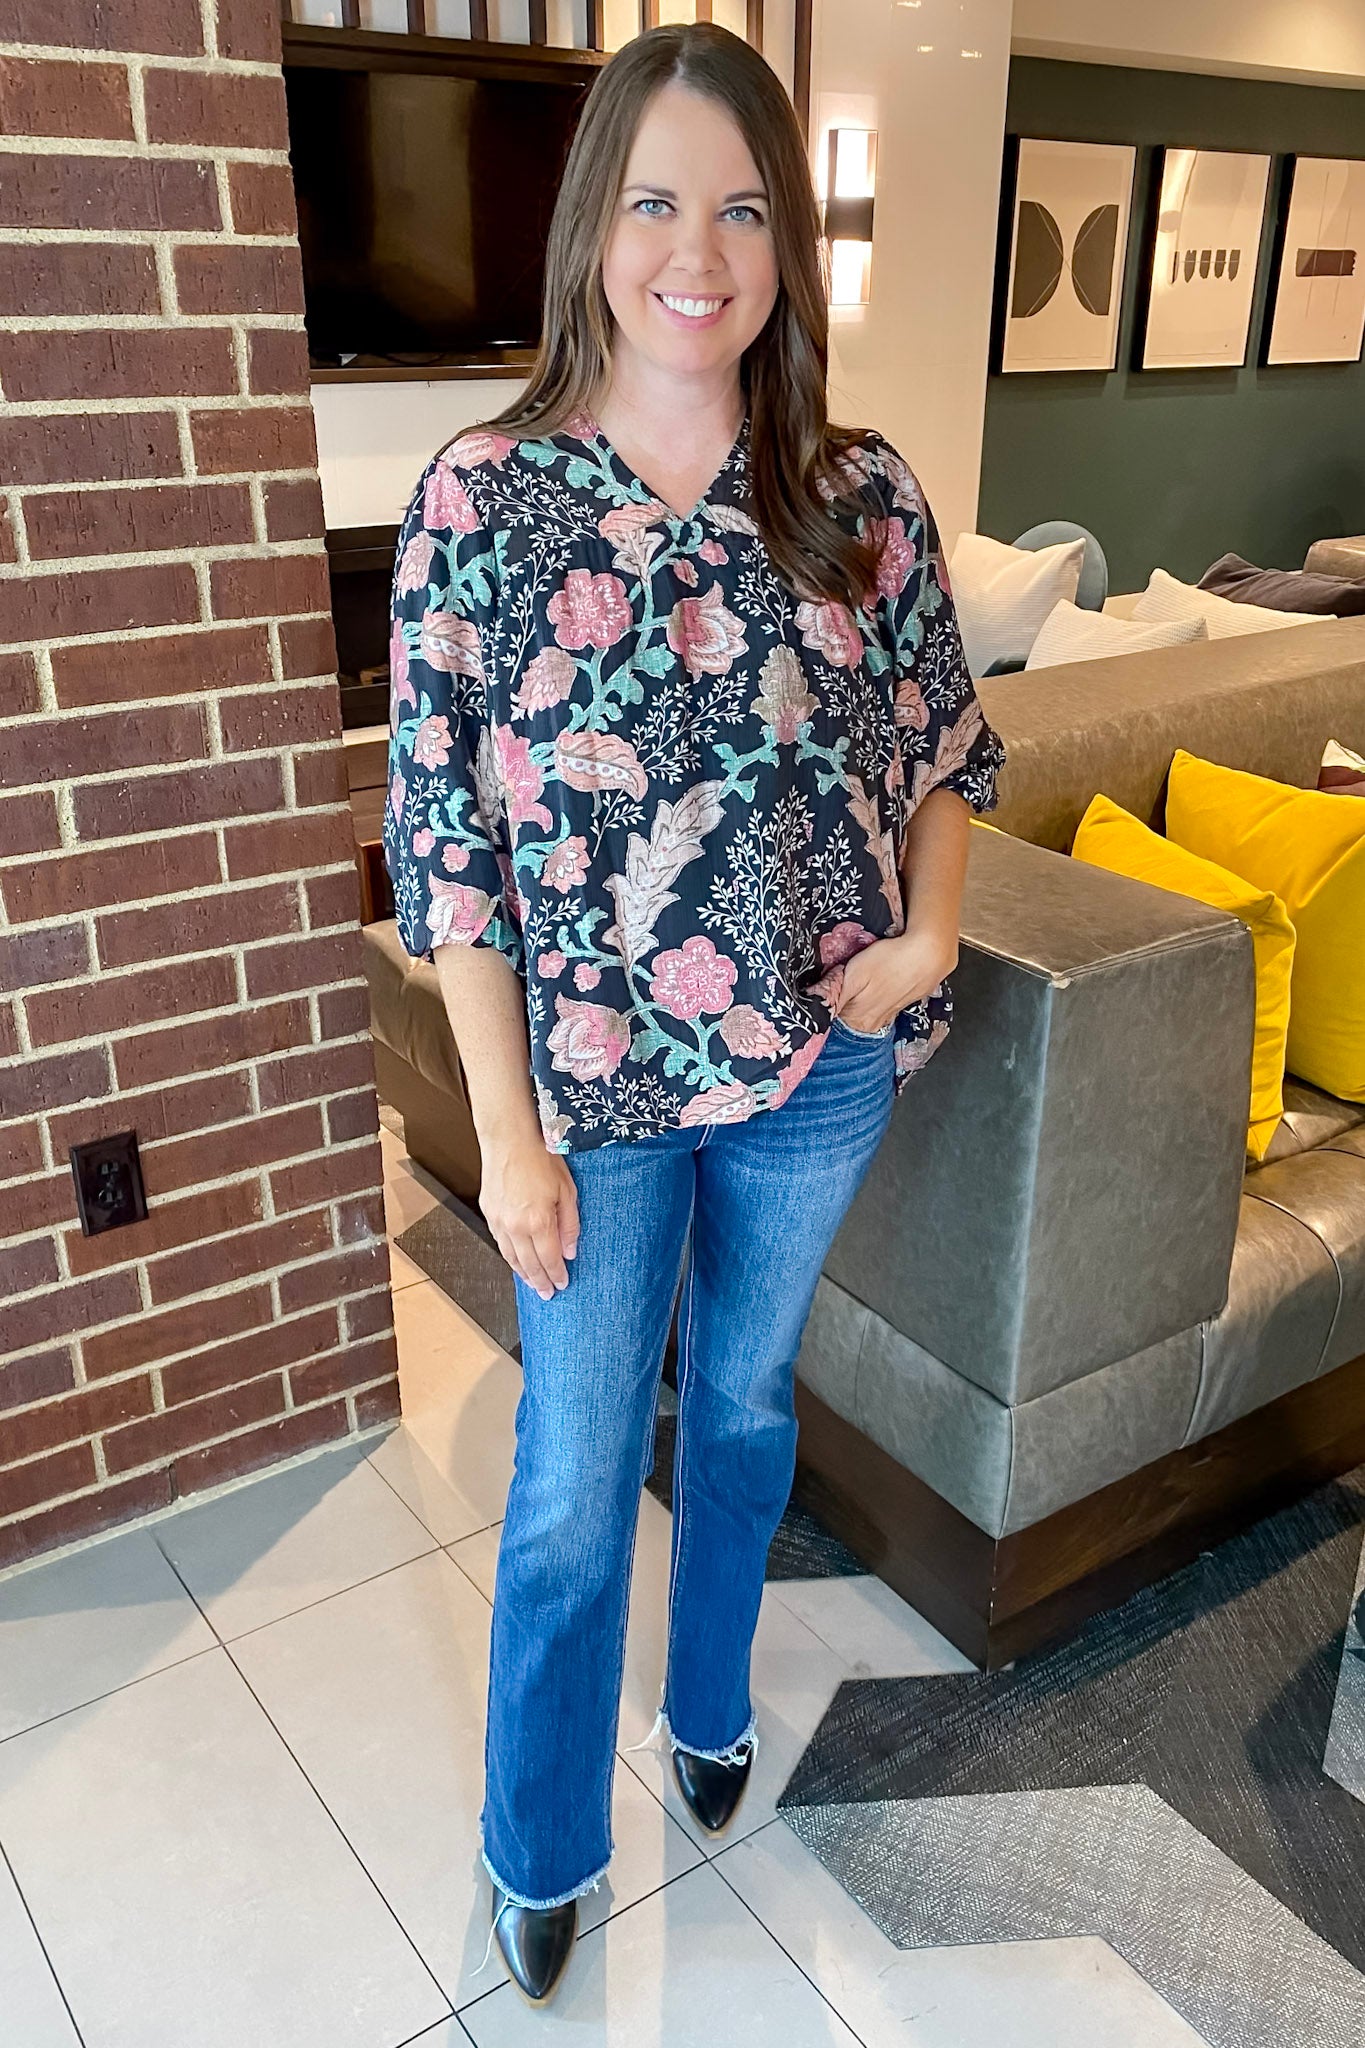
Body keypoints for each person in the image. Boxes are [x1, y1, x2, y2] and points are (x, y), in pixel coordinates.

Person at [384, 20, 1006, 2008]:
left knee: (739, 1410)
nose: (698, 251)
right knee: (573, 1482)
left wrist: (923, 943)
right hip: (589, 1100)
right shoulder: (483, 502)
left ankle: (713, 1699)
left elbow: (945, 749)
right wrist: (502, 1134)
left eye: (742, 210)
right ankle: (537, 1839)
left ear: (782, 247)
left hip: (816, 1067)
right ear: (593, 223)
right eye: (656, 200)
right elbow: (446, 851)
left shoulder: (852, 487)